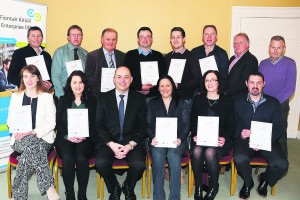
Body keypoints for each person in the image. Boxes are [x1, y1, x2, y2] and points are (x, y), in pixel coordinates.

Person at [234, 72, 289, 199]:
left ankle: (265, 179)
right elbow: (231, 124)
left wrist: (265, 140)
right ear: (246, 84)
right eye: (252, 82)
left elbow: (279, 128)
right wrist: (240, 132)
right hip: (245, 140)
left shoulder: (274, 102)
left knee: (282, 164)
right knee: (239, 158)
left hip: (267, 141)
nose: (255, 86)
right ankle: (248, 183)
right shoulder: (237, 101)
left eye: (259, 82)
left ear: (264, 84)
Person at [7, 65, 59, 200]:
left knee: (31, 148)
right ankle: (49, 187)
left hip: (42, 137)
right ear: (22, 79)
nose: (29, 80)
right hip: (20, 139)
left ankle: (18, 195)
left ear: (38, 78)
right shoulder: (16, 97)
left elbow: (51, 123)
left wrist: (34, 132)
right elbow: (10, 121)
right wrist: (16, 132)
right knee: (33, 146)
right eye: (25, 76)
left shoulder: (47, 97)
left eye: (32, 76)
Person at [95, 66, 147, 200]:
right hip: (109, 142)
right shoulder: (103, 98)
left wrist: (131, 145)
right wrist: (111, 144)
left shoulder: (140, 99)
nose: (122, 80)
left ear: (131, 80)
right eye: (119, 77)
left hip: (132, 142)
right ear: (113, 80)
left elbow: (143, 126)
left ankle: (128, 187)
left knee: (140, 164)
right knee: (100, 163)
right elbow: (99, 126)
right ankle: (114, 188)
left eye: (126, 77)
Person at [190, 70, 235, 200]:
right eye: (207, 80)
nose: (210, 83)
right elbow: (193, 121)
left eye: (213, 79)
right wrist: (196, 134)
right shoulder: (198, 99)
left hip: (220, 140)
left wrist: (224, 138)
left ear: (218, 82)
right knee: (197, 150)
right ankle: (199, 185)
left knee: (210, 152)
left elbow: (231, 125)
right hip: (201, 137)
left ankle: (214, 186)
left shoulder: (227, 100)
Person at [55, 70, 96, 200]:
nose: (78, 85)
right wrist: (67, 135)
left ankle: (82, 194)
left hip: (86, 138)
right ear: (70, 84)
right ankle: (70, 193)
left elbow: (96, 123)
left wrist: (86, 135)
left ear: (85, 84)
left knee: (81, 158)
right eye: (74, 82)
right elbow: (58, 122)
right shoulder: (63, 99)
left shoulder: (92, 100)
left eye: (80, 82)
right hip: (65, 138)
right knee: (68, 158)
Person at [147, 75, 190, 200]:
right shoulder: (152, 103)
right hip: (157, 141)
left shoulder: (181, 102)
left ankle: (175, 197)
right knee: (158, 155)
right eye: (162, 86)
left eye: (168, 85)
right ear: (158, 88)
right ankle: (159, 196)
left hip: (176, 141)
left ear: (173, 86)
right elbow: (148, 124)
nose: (165, 88)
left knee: (173, 155)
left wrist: (180, 138)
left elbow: (187, 124)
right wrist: (152, 137)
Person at [258, 35, 296, 158]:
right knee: (263, 135)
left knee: (280, 137)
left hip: (280, 106)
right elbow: (259, 84)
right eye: (273, 47)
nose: (275, 50)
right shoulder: (263, 64)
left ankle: (282, 166)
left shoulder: (290, 63)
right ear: (269, 48)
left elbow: (289, 88)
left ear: (284, 49)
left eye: (278, 48)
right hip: (263, 104)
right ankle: (265, 161)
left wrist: (273, 103)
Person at [165, 27, 202, 109]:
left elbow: (197, 80)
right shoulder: (167, 57)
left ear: (184, 39)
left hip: (185, 100)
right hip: (169, 99)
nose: (175, 40)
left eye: (178, 37)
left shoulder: (191, 57)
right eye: (173, 37)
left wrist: (178, 85)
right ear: (170, 39)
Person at [124, 27, 167, 98]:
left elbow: (163, 76)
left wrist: (155, 86)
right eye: (142, 37)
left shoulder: (158, 55)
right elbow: (126, 76)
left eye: (148, 36)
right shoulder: (130, 55)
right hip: (135, 96)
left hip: (155, 96)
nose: (145, 39)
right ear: (138, 39)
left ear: (152, 39)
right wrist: (140, 87)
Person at [51, 25, 88, 99]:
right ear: (68, 37)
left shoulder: (85, 53)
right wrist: (61, 96)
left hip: (81, 94)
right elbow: (55, 76)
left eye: (79, 35)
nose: (76, 37)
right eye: (73, 35)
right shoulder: (60, 52)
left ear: (82, 38)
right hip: (64, 92)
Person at [85, 28, 125, 96]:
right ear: (102, 40)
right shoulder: (92, 56)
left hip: (118, 95)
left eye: (113, 40)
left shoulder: (122, 56)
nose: (111, 42)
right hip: (99, 97)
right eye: (108, 39)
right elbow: (88, 79)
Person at [226, 33, 258, 99]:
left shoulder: (251, 59)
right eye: (235, 43)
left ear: (248, 45)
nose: (237, 45)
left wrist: (226, 92)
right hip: (229, 98)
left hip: (240, 98)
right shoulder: (232, 58)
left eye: (241, 43)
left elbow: (244, 82)